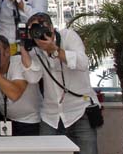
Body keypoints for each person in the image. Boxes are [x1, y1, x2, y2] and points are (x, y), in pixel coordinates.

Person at [21, 12, 100, 153]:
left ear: (52, 28)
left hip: (80, 111)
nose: (39, 35)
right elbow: (32, 78)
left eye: (42, 29)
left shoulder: (68, 36)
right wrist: (24, 49)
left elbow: (82, 63)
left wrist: (55, 50)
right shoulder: (35, 49)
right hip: (51, 115)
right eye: (34, 31)